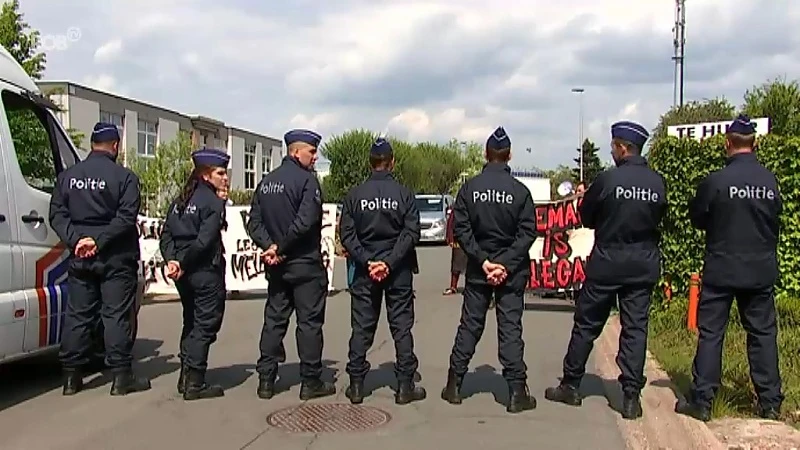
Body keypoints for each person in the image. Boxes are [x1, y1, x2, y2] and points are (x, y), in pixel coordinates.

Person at [544, 121, 666, 420]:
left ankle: (571, 385)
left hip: (607, 263)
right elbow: (659, 217)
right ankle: (630, 398)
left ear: (622, 148)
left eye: (613, 146)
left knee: (586, 324)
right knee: (635, 329)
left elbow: (585, 216)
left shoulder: (607, 181)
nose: (612, 150)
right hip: (642, 264)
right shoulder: (657, 183)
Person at [675, 114, 784, 422]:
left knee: (711, 333)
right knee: (762, 334)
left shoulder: (716, 181)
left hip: (722, 268)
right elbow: (775, 218)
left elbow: (698, 218)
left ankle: (704, 401)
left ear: (727, 143)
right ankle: (770, 404)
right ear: (755, 143)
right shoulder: (770, 181)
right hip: (760, 270)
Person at [48, 122, 151, 396]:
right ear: (115, 146)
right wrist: (99, 241)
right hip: (116, 257)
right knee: (116, 315)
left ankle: (71, 379)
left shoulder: (68, 177)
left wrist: (77, 240)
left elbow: (57, 214)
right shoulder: (125, 178)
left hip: (81, 257)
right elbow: (126, 217)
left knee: (78, 315)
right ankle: (120, 378)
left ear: (92, 144)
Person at [441, 126, 538, 414]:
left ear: (486, 154)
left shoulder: (470, 188)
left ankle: (454, 385)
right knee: (510, 328)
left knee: (470, 325)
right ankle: (516, 392)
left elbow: (462, 229)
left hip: (478, 271)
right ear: (509, 156)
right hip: (511, 272)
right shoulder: (521, 192)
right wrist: (505, 263)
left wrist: (484, 261)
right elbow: (527, 233)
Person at [246, 128, 335, 401]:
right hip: (304, 264)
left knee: (274, 321)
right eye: (311, 151)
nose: (315, 156)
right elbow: (305, 221)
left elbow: (254, 224)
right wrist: (280, 247)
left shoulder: (266, 182)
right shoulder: (307, 182)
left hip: (277, 266)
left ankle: (265, 380)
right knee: (308, 324)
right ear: (296, 152)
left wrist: (270, 247)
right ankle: (310, 382)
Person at [339, 138, 426, 405]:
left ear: (370, 163)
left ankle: (355, 386)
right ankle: (404, 386)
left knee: (361, 328)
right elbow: (412, 233)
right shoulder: (404, 194)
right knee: (401, 327)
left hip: (365, 272)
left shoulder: (355, 195)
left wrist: (368, 261)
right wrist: (388, 262)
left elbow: (347, 234)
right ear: (392, 163)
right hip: (397, 270)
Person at [159, 148, 230, 401]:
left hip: (183, 273)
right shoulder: (211, 203)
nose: (225, 178)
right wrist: (184, 263)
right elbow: (204, 242)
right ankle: (195, 382)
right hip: (203, 271)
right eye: (220, 173)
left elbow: (165, 235)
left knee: (191, 322)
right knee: (205, 324)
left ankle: (185, 375)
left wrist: (173, 261)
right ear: (205, 175)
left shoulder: (180, 200)